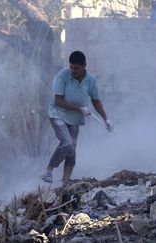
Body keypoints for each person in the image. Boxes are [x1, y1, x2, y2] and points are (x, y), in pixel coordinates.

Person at [42, 51, 112, 184]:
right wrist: (79, 109)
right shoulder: (62, 76)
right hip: (58, 114)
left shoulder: (90, 80)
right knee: (67, 143)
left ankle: (66, 181)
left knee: (72, 149)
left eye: (76, 68)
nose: (73, 71)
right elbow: (58, 101)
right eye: (71, 67)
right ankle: (49, 171)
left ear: (84, 66)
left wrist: (105, 119)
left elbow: (96, 101)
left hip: (74, 118)